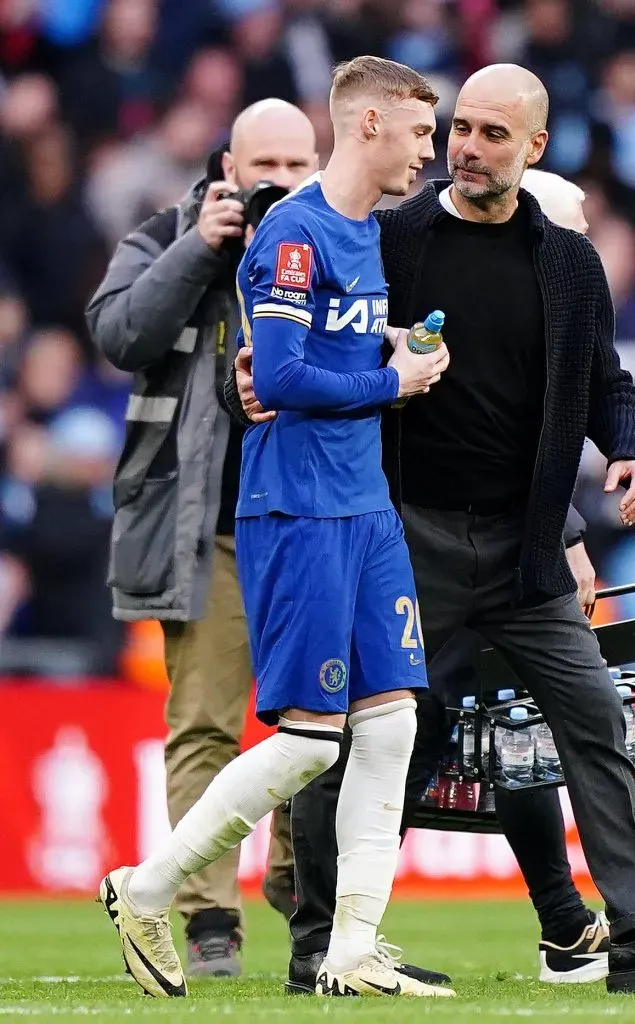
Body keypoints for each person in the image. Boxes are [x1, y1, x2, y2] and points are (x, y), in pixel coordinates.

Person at [228, 63, 635, 996]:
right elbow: (310, 337)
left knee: (595, 720)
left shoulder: (568, 262)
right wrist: (249, 368)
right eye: (460, 129)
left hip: (524, 546)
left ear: (535, 148)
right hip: (406, 536)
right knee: (366, 740)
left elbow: (605, 378)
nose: (466, 149)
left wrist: (629, 448)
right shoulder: (395, 237)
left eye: (492, 135)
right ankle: (320, 945)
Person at [95, 55, 457, 1001]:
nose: (429, 151)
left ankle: (352, 950)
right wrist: (393, 379)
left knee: (392, 724)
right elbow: (285, 378)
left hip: (365, 505)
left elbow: (316, 351)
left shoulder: (365, 232)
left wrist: (389, 344)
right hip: (298, 506)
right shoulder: (294, 234)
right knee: (308, 740)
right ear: (369, 125)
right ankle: (146, 890)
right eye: (420, 132)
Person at [85, 99, 320, 978]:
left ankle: (302, 887)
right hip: (208, 528)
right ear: (229, 168)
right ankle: (209, 917)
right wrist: (200, 248)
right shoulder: (166, 234)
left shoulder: (339, 240)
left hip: (311, 525)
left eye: (298, 166)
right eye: (267, 168)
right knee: (204, 728)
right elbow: (118, 335)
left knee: (319, 724)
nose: (282, 185)